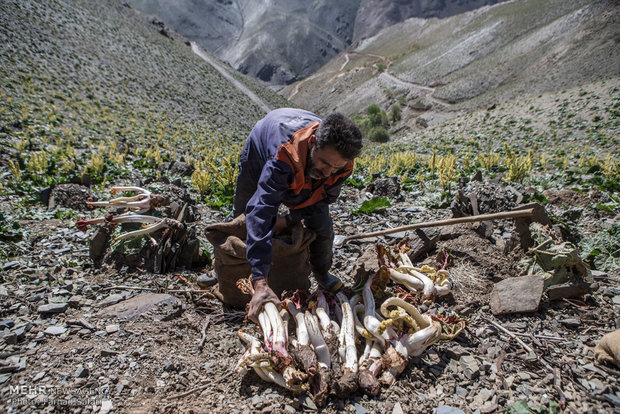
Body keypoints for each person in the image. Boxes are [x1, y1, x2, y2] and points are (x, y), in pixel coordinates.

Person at [230, 108, 363, 322]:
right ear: (312, 143)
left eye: (335, 168)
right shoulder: (283, 155)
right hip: (263, 141)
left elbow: (321, 200)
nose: (328, 173)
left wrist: (289, 219)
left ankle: (322, 273)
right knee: (244, 217)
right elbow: (261, 210)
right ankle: (231, 269)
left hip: (298, 159)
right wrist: (261, 282)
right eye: (325, 163)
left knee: (321, 224)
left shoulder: (341, 165)